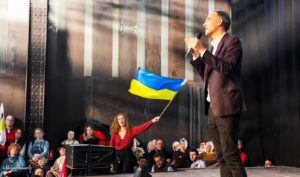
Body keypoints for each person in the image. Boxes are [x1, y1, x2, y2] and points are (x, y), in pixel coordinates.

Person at [185, 10, 247, 177]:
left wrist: (203, 51)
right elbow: (208, 75)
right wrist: (197, 55)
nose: (204, 24)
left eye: (207, 20)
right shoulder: (213, 47)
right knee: (221, 156)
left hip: (226, 104)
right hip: (213, 106)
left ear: (219, 21)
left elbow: (226, 68)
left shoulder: (232, 42)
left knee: (230, 154)